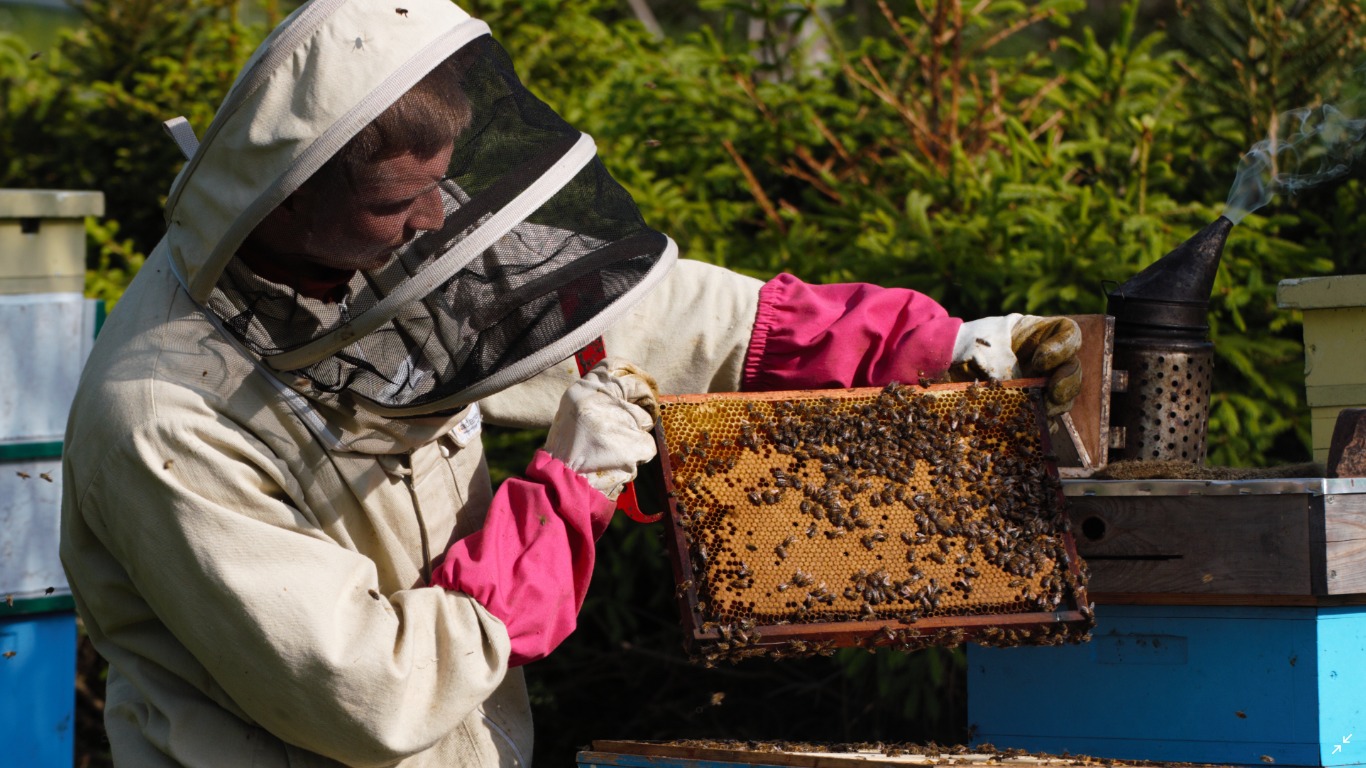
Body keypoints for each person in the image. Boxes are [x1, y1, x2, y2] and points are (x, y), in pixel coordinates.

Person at [60, 1, 1082, 766]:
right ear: (284, 201)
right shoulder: (165, 418)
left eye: (443, 185)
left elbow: (659, 317)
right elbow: (367, 692)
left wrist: (934, 346)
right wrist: (563, 497)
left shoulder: (391, 243)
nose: (435, 223)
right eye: (399, 203)